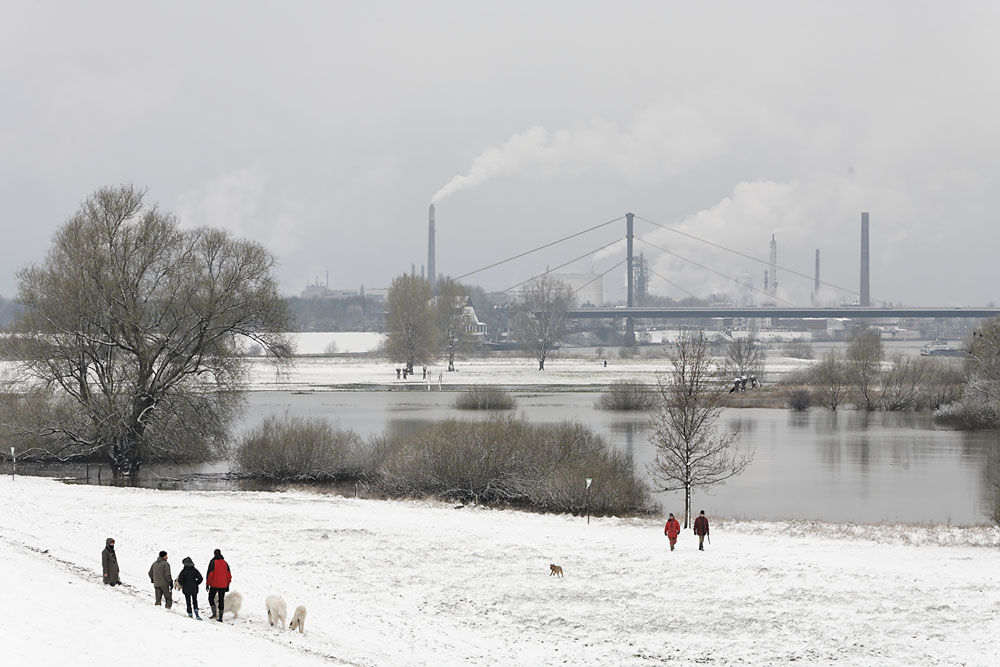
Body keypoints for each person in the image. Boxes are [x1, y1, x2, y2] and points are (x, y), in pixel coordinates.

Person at [205, 548, 232, 622]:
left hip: (214, 584)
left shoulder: (212, 562)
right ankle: (220, 617)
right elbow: (229, 575)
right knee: (221, 600)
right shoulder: (225, 563)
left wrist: (207, 584)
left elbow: (210, 574)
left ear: (214, 554)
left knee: (211, 598)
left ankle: (214, 614)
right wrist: (227, 584)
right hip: (223, 585)